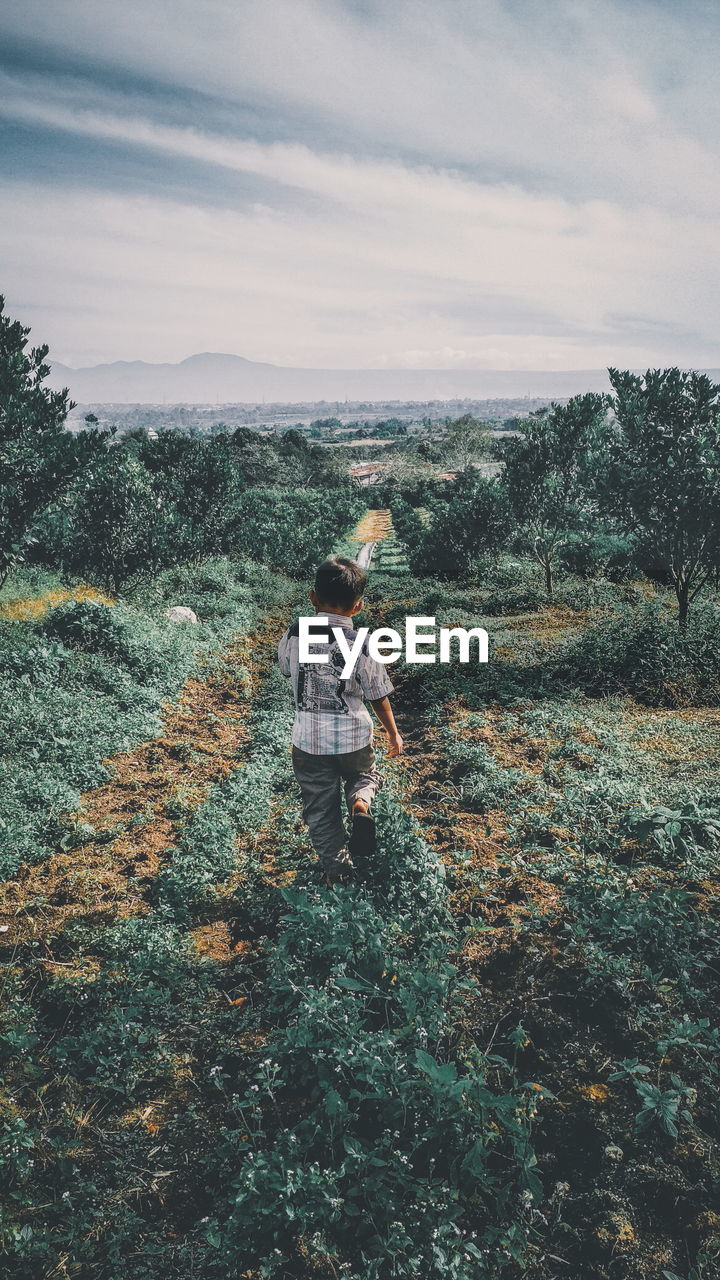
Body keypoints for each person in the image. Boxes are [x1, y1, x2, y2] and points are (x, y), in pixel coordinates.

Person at [278, 555, 403, 885]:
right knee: (363, 775)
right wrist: (393, 734)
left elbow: (285, 667)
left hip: (308, 741)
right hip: (354, 737)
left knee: (320, 809)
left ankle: (338, 874)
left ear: (313, 598)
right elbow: (377, 693)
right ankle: (360, 803)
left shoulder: (294, 634)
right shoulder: (361, 643)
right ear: (358, 606)